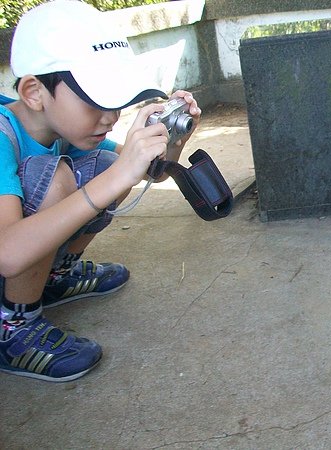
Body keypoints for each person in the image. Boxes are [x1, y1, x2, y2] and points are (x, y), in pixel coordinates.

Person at [0, 0, 201, 382]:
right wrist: (118, 176)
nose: (111, 116)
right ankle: (14, 328)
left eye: (117, 98)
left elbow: (142, 172)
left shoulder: (61, 127)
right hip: (8, 256)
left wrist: (170, 140)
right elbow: (7, 254)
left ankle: (53, 279)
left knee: (106, 166)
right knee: (60, 177)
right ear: (33, 91)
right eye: (96, 99)